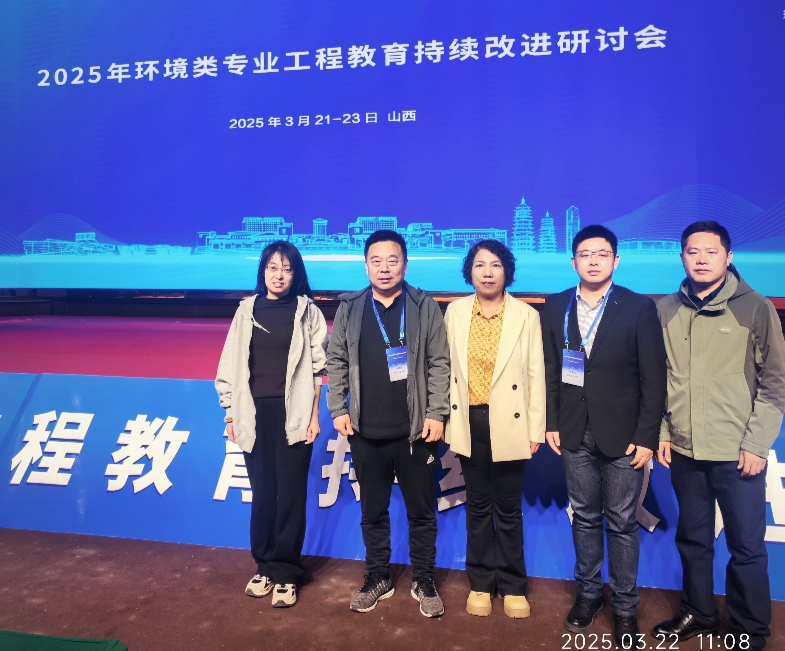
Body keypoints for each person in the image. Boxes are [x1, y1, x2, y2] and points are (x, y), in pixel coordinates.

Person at [652, 221, 785, 651]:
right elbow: (659, 379)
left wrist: (756, 443)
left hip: (737, 451)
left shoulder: (756, 307)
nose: (702, 259)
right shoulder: (666, 308)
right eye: (693, 251)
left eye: (711, 251)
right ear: (682, 257)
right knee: (693, 539)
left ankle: (750, 628)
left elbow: (775, 383)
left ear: (728, 257)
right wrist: (663, 431)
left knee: (746, 545)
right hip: (685, 449)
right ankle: (699, 612)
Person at [541, 225, 666, 647]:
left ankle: (626, 607)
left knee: (622, 522)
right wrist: (552, 421)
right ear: (573, 261)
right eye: (585, 254)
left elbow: (653, 377)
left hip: (625, 436)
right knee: (584, 516)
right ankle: (590, 593)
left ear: (616, 260)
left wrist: (647, 436)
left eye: (602, 254)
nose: (593, 261)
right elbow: (551, 370)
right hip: (574, 429)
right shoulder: (556, 305)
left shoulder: (638, 307)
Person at [326, 229, 450, 617]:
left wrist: (436, 412)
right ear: (366, 265)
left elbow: (439, 362)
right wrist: (338, 408)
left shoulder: (424, 305)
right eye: (376, 261)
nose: (384, 268)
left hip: (416, 431)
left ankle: (424, 579)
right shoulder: (350, 307)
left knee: (422, 512)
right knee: (373, 512)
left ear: (405, 264)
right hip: (365, 430)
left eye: (392, 260)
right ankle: (378, 576)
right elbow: (336, 361)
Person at [215, 241, 327, 608]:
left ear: (297, 274)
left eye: (287, 269)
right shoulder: (245, 311)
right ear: (263, 271)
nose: (279, 275)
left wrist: (314, 416)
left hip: (294, 414)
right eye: (273, 268)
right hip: (254, 414)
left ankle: (287, 572)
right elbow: (229, 366)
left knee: (291, 495)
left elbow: (318, 370)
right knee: (263, 494)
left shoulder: (308, 312)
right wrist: (231, 414)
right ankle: (264, 565)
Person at [444, 240, 545, 618]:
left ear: (507, 271)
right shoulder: (455, 312)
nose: (487, 272)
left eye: (496, 265)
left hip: (510, 422)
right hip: (468, 420)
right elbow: (446, 371)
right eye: (480, 265)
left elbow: (535, 374)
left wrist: (536, 428)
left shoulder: (525, 315)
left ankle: (514, 585)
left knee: (508, 506)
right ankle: (481, 583)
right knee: (477, 505)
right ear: (469, 271)